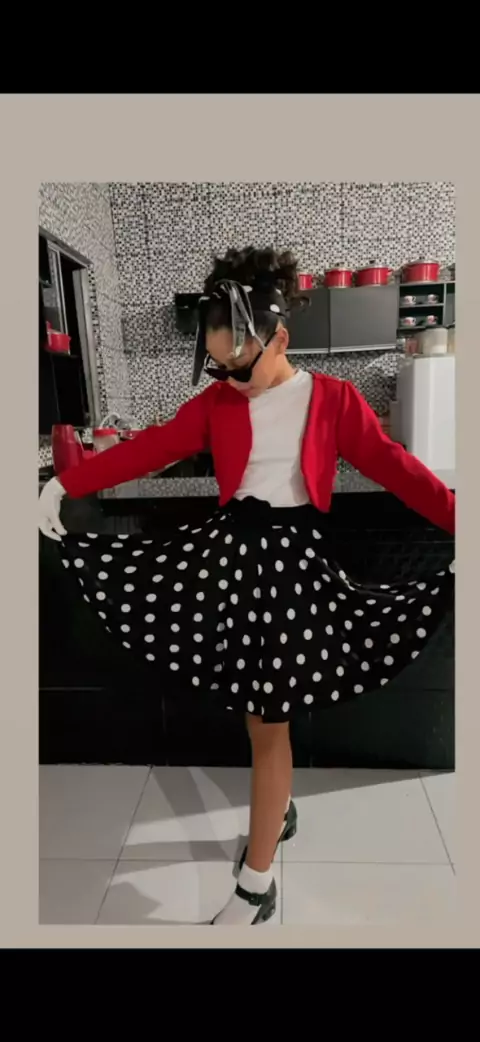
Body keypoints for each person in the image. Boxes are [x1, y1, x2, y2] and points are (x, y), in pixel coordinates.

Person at [38, 246, 455, 926]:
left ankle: (256, 887)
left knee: (267, 722)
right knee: (258, 707)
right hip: (231, 565)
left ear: (279, 339)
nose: (229, 379)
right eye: (217, 366)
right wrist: (66, 482)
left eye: (239, 364)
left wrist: (461, 518)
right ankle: (278, 812)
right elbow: (152, 448)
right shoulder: (216, 401)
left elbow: (397, 468)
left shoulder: (333, 400)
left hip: (292, 575)